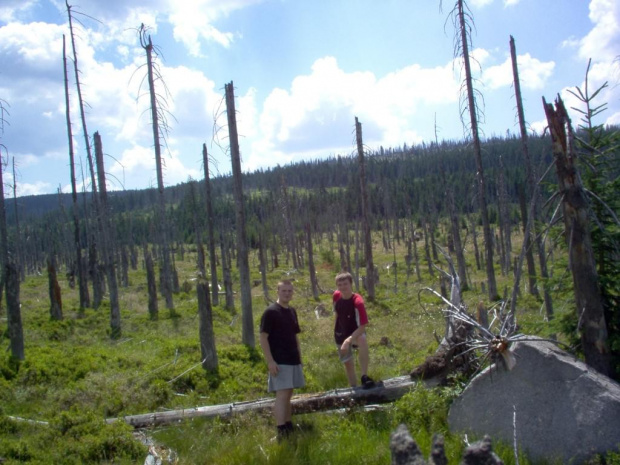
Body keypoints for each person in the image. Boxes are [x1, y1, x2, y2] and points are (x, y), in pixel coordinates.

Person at [259, 280, 305, 440]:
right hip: (280, 360)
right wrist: (270, 361)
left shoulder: (292, 311)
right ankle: (280, 431)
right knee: (282, 394)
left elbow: (294, 336)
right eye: (284, 290)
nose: (287, 293)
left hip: (293, 359)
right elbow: (263, 337)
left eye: (290, 291)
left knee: (289, 393)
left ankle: (288, 425)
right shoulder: (271, 312)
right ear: (277, 291)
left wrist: (300, 357)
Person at [332, 272, 375, 389]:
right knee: (348, 363)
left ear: (351, 284)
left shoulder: (358, 302)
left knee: (362, 339)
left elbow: (362, 326)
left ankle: (364, 376)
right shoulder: (336, 296)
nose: (342, 287)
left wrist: (348, 340)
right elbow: (336, 314)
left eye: (345, 284)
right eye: (339, 285)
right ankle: (354, 388)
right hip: (340, 332)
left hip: (355, 332)